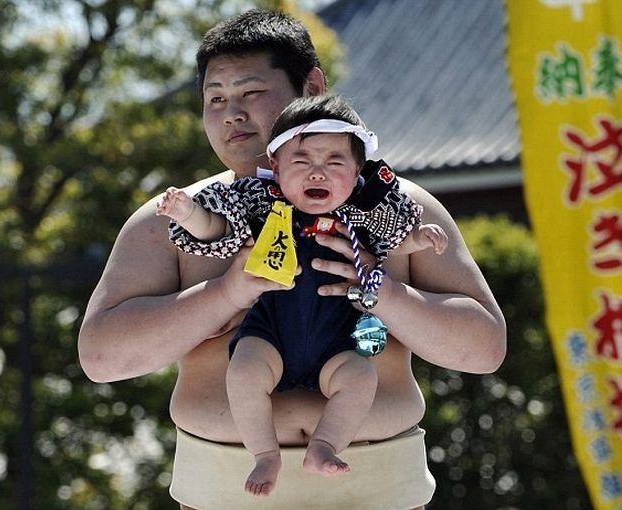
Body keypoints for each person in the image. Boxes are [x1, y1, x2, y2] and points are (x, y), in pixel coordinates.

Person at [78, 9, 506, 510]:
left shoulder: (398, 209)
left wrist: (382, 291)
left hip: (375, 480)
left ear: (311, 86)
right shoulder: (172, 219)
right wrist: (224, 295)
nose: (232, 113)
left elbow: (484, 349)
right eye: (215, 98)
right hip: (226, 484)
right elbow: (102, 358)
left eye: (250, 93)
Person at [155, 94, 449, 496]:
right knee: (242, 372)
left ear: (358, 169)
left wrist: (419, 238)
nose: (317, 174)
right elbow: (217, 230)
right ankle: (264, 454)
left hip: (338, 335)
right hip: (271, 328)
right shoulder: (257, 202)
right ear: (275, 165)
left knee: (361, 378)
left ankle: (324, 445)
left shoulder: (365, 212)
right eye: (302, 162)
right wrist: (187, 213)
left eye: (334, 163)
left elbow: (392, 242)